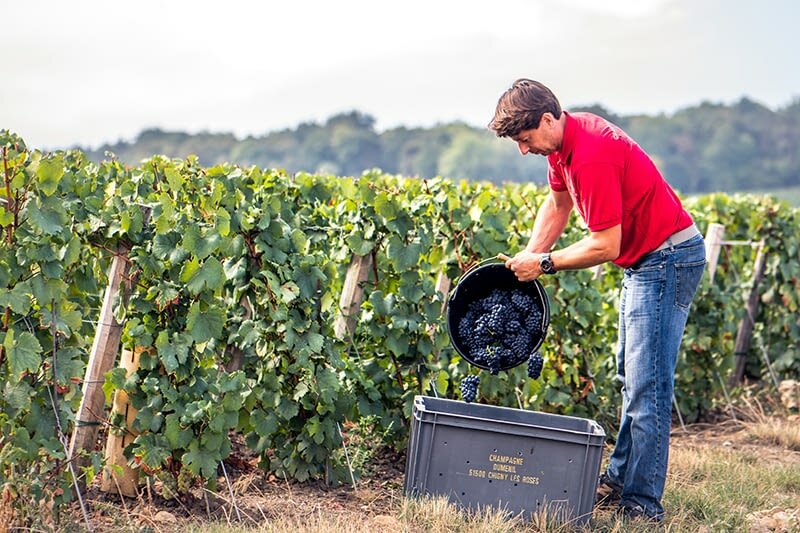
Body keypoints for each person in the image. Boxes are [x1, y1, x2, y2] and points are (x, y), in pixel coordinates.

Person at [490, 79, 706, 522]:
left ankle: (642, 507)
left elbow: (605, 245)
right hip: (646, 261)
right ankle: (623, 480)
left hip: (666, 259)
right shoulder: (562, 148)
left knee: (649, 387)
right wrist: (529, 256)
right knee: (632, 376)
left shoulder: (590, 153)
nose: (523, 150)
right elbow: (557, 205)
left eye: (526, 139)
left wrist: (545, 264)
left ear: (548, 119)